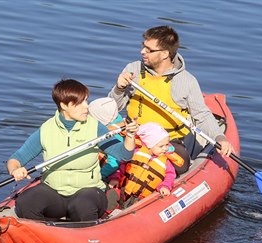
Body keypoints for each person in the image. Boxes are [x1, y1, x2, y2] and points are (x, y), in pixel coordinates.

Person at [7, 79, 139, 221]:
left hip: (88, 192)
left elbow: (124, 155)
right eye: (80, 103)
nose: (86, 107)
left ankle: (83, 236)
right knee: (25, 203)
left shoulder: (95, 127)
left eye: (86, 101)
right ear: (64, 105)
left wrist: (130, 135)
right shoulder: (46, 130)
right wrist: (15, 170)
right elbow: (16, 159)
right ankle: (42, 233)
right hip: (55, 193)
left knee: (82, 206)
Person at [109, 25, 233, 175]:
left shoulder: (186, 81)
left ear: (165, 54)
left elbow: (202, 115)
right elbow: (111, 108)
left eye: (149, 50)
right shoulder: (133, 69)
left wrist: (219, 137)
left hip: (166, 142)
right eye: (143, 47)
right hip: (132, 135)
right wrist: (119, 88)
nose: (142, 52)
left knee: (180, 165)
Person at [108, 122, 183, 206]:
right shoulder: (135, 152)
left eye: (167, 145)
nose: (165, 148)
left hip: (142, 199)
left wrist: (165, 186)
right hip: (123, 189)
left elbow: (170, 176)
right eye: (161, 146)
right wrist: (116, 178)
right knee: (111, 197)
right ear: (149, 145)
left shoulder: (165, 162)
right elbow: (122, 166)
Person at [88, 97, 126, 180]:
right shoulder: (116, 118)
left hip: (107, 172)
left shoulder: (112, 135)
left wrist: (98, 176)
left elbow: (114, 163)